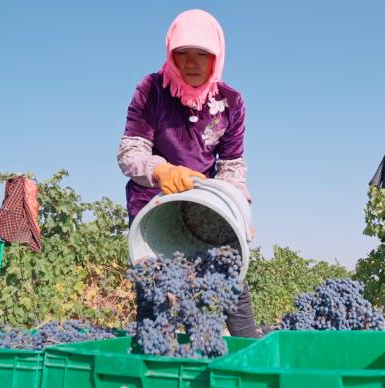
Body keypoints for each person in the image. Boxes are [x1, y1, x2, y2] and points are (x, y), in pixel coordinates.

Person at [116, 9, 258, 338]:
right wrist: (160, 170)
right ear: (170, 54)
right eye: (182, 54)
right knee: (156, 292)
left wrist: (239, 205)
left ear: (217, 58)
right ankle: (156, 360)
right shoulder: (152, 89)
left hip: (204, 208)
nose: (192, 63)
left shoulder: (230, 102)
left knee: (229, 281)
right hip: (155, 206)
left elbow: (232, 166)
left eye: (202, 55)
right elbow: (130, 152)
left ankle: (253, 361)